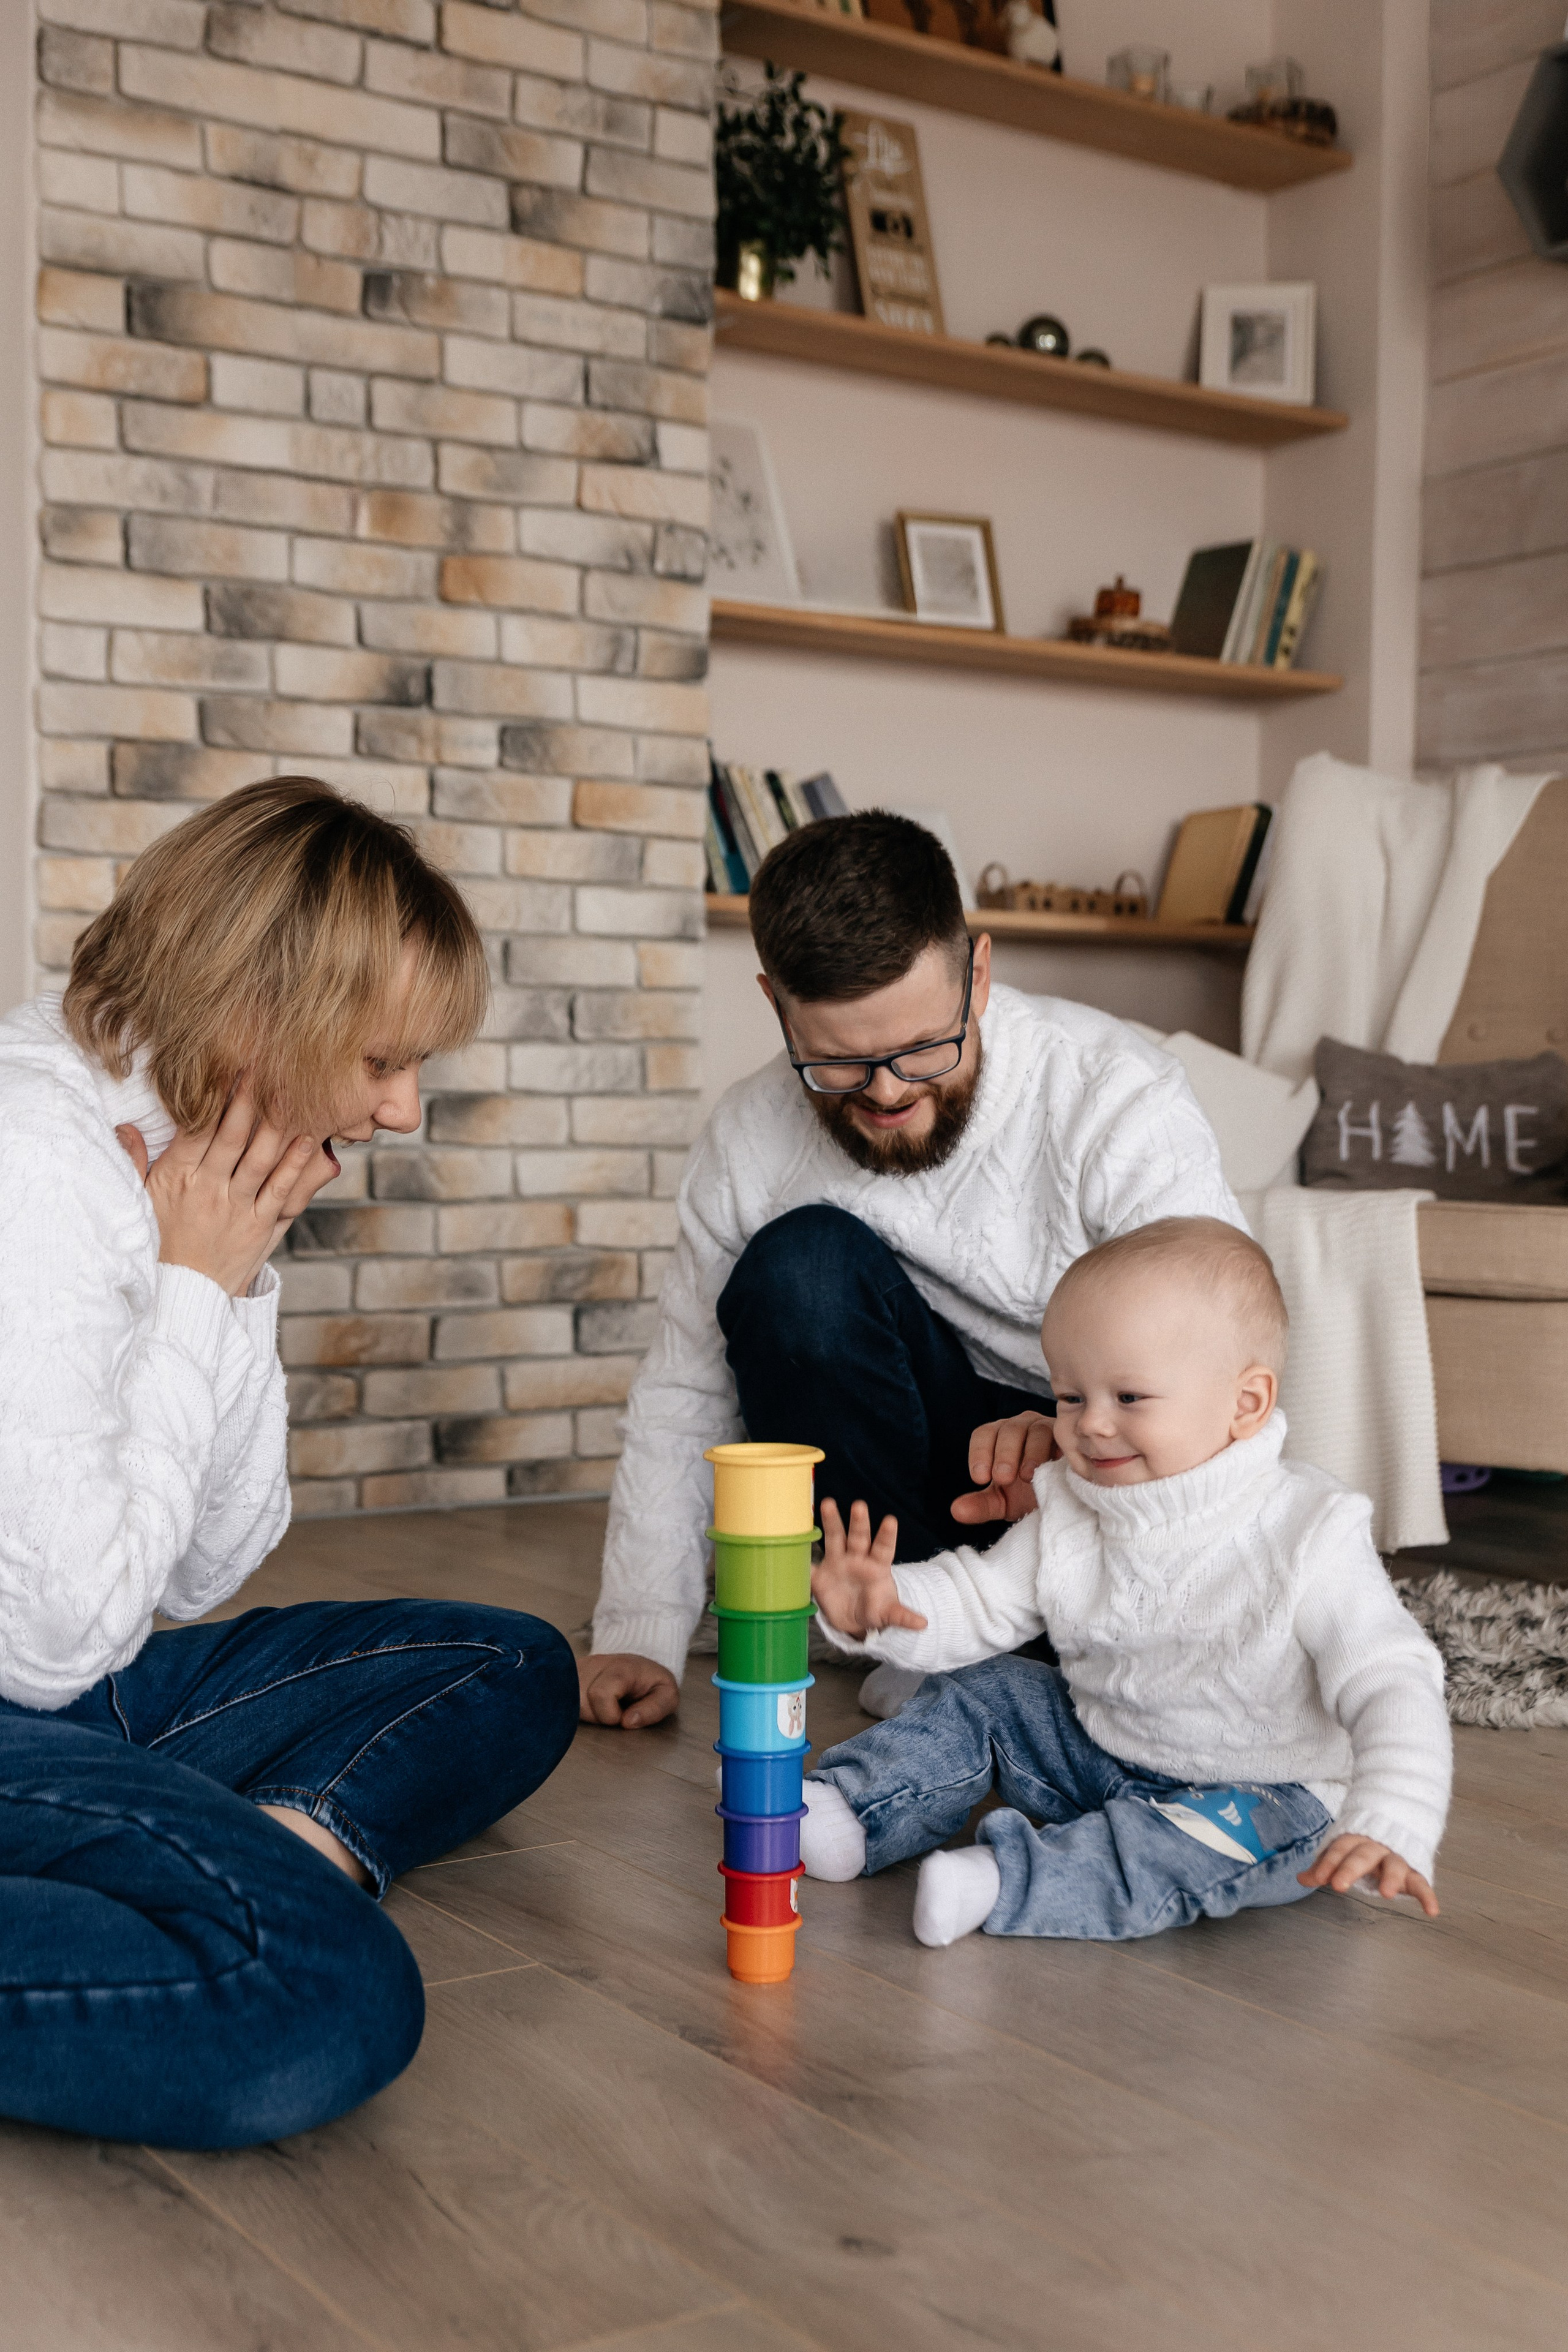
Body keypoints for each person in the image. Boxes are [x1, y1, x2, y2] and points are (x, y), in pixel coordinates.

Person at [0, 778, 578, 2150]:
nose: (404, 1111)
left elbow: (203, 1567)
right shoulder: (39, 1165)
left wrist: (234, 1280)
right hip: (31, 1675)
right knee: (323, 1995)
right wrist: (193, 1286)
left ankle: (276, 1848)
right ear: (261, 1014)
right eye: (383, 1060)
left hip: (70, 1683)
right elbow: (56, 1635)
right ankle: (218, 1886)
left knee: (511, 1666)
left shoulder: (203, 1162)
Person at [581, 812, 1244, 1731]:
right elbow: (685, 1387)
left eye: (925, 1050)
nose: (888, 1093)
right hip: (903, 1490)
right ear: (776, 1004)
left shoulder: (1115, 1093)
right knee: (798, 1269)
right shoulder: (745, 1138)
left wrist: (1068, 1429)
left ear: (977, 973)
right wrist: (640, 1628)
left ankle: (1046, 1649)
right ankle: (919, 1630)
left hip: (1093, 1467)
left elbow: (1217, 1354)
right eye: (841, 1064)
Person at [800, 1217, 1452, 1947]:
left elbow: (1391, 1680)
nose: (1090, 1427)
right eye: (1071, 1397)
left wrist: (1391, 1813)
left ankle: (1007, 1883)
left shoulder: (1309, 1528)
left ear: (1245, 1404)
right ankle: (853, 1808)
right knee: (984, 1689)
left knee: (1188, 1847)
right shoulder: (1073, 1510)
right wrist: (885, 1605)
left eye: (1129, 1398)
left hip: (1265, 1794)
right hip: (1100, 1750)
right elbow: (981, 1600)